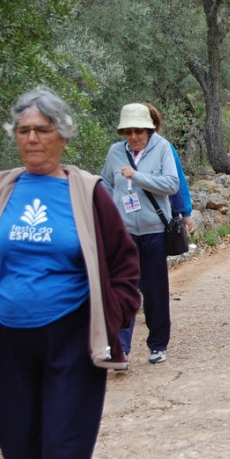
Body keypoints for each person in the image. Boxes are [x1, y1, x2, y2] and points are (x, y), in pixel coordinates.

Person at [0, 87, 141, 459]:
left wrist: (113, 316)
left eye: (43, 130)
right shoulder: (0, 192)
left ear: (63, 135)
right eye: (23, 130)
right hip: (8, 340)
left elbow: (124, 265)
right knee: (17, 447)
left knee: (64, 450)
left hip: (72, 340)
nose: (32, 138)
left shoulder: (87, 193)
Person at [101, 103, 179, 364]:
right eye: (128, 131)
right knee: (123, 288)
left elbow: (172, 184)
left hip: (154, 231)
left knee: (155, 291)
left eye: (139, 131)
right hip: (124, 232)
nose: (133, 136)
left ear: (149, 130)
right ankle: (119, 348)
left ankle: (157, 345)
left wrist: (137, 176)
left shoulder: (163, 148)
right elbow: (106, 184)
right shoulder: (115, 152)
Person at [143, 102, 195, 234]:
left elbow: (179, 179)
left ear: (154, 124)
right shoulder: (124, 151)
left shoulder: (165, 147)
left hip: (164, 214)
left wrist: (186, 212)